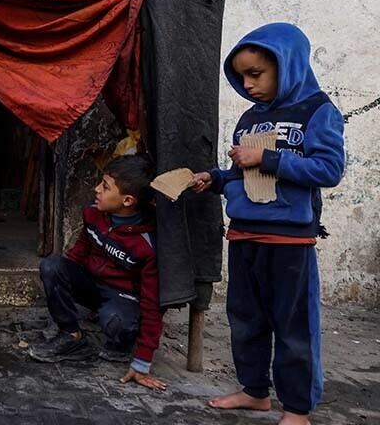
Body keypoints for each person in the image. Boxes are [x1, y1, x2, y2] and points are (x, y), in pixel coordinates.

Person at [192, 23, 345, 425]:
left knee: (293, 325)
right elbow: (242, 174)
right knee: (245, 318)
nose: (248, 84)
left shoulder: (317, 111)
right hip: (244, 234)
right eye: (242, 76)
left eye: (256, 74)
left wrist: (269, 159)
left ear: (287, 64)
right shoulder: (250, 118)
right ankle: (254, 391)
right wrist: (217, 178)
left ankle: (297, 408)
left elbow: (329, 168)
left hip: (289, 240)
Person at [28, 155, 166, 391]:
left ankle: (122, 342)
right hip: (92, 284)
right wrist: (62, 282)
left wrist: (143, 360)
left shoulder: (147, 244)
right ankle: (71, 336)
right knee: (52, 266)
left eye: (105, 186)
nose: (97, 189)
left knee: (118, 325)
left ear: (127, 200)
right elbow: (78, 252)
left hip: (123, 296)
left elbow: (153, 303)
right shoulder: (93, 214)